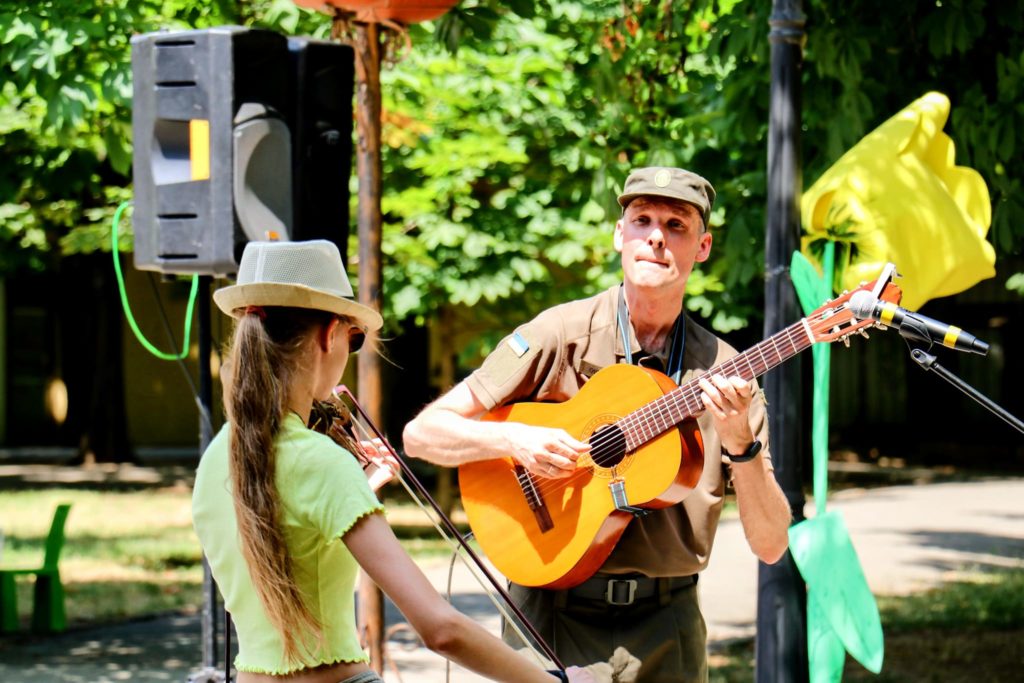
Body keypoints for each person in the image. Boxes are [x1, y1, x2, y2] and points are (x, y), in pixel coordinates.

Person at [402, 167, 792, 682]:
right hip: (549, 610)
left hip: (667, 620)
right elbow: (422, 434)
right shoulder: (559, 334)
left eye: (677, 225)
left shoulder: (726, 371)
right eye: (642, 220)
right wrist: (512, 439)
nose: (656, 236)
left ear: (702, 247)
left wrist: (741, 444)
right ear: (618, 235)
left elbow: (771, 545)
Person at [191, 240, 593, 683]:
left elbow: (286, 538)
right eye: (354, 337)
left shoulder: (216, 459)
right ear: (329, 334)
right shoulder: (322, 462)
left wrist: (355, 490)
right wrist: (557, 681)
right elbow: (441, 630)